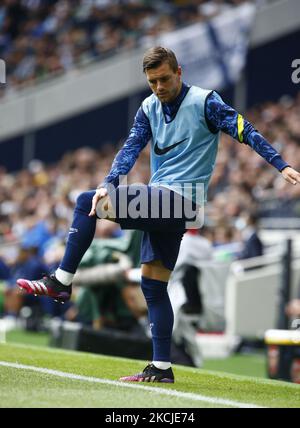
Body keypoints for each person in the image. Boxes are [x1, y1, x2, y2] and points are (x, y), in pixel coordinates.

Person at [17, 46, 300, 383]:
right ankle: (162, 367)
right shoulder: (148, 108)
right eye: (152, 81)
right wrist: (109, 181)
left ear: (179, 72)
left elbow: (245, 129)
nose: (159, 87)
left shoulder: (205, 101)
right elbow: (131, 147)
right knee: (152, 286)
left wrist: (281, 165)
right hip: (163, 204)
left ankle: (61, 282)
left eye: (165, 79)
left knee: (84, 202)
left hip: (181, 201)